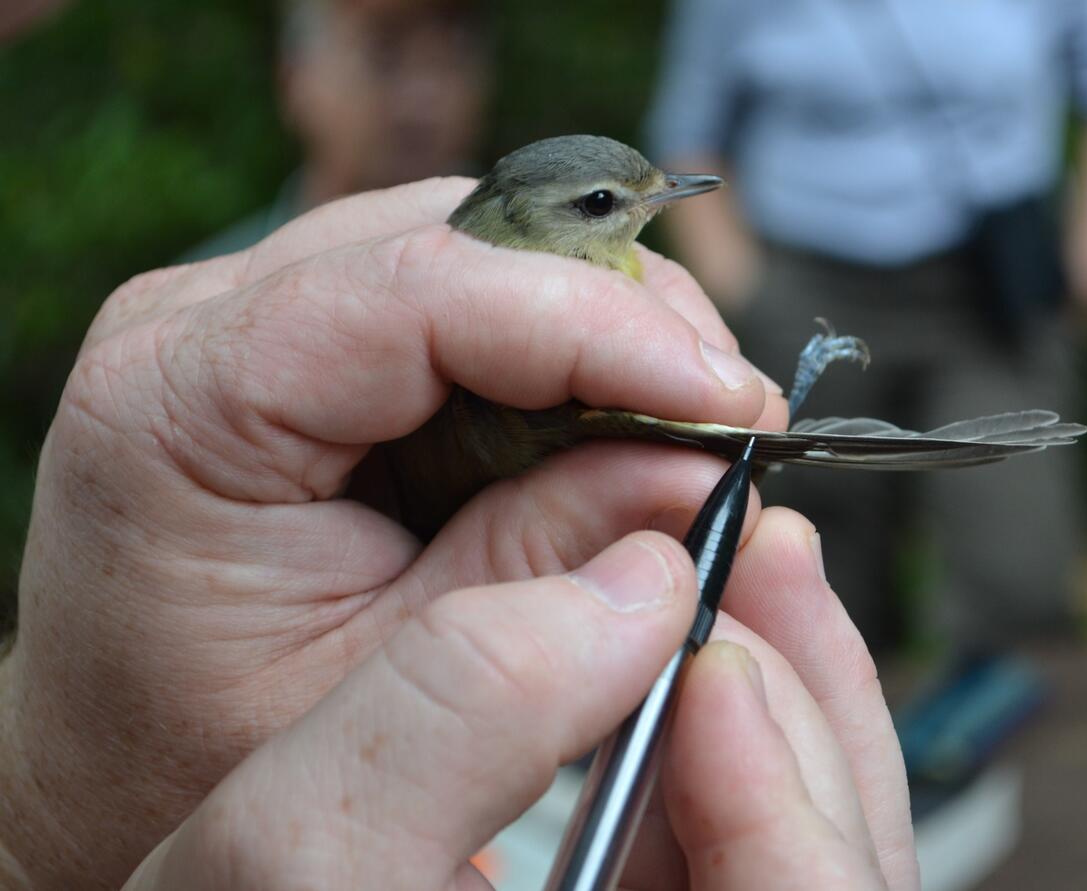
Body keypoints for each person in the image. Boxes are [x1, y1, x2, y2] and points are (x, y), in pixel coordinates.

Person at [0, 178, 918, 889]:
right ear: (536, 222)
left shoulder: (593, 285)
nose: (642, 208)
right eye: (603, 205)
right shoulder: (543, 321)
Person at [647, 0, 1087, 658]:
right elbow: (687, 126)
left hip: (989, 295)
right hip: (809, 289)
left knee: (1018, 575)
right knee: (807, 584)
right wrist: (750, 294)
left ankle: (985, 748)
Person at [185, 0, 492, 261]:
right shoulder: (211, 294)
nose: (425, 93)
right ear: (295, 81)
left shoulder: (516, 268)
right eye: (385, 53)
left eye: (455, 51)